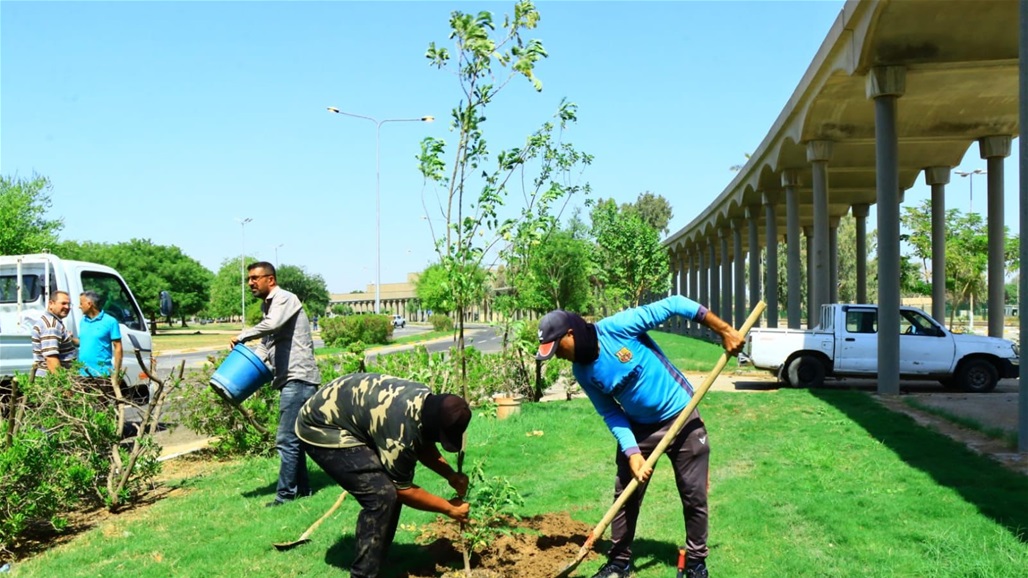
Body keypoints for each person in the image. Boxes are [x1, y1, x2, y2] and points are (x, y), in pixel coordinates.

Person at [536, 295, 744, 578]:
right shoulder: (582, 372)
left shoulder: (618, 328)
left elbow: (676, 304)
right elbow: (610, 412)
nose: (558, 355)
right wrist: (633, 452)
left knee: (694, 496)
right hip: (640, 428)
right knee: (625, 494)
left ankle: (695, 563)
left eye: (558, 348)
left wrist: (725, 330)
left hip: (682, 415)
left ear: (570, 334)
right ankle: (618, 563)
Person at [296, 373, 471, 578]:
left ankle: (377, 557)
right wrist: (448, 508)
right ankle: (364, 574)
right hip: (321, 426)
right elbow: (403, 490)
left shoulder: (425, 401)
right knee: (381, 494)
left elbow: (423, 442)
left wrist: (449, 474)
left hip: (347, 414)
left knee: (387, 490)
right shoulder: (400, 430)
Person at [231, 261, 321, 507]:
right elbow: (267, 343)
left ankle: (285, 496)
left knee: (285, 439)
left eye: (255, 278)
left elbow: (272, 326)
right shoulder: (268, 305)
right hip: (290, 379)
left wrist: (242, 335)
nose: (250, 283)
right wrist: (246, 361)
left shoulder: (285, 298)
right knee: (295, 439)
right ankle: (303, 489)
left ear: (270, 279)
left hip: (298, 378)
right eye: (249, 279)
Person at [77, 290, 123, 385]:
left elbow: (118, 348)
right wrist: (69, 338)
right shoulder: (83, 321)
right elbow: (83, 342)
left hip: (101, 375)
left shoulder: (110, 322)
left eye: (81, 303)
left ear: (89, 304)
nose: (79, 306)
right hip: (82, 374)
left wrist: (116, 372)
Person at [31, 290, 78, 378]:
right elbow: (51, 359)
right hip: (51, 380)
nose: (67, 307)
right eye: (63, 303)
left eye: (69, 304)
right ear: (51, 304)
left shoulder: (51, 322)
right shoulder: (51, 326)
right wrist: (65, 387)